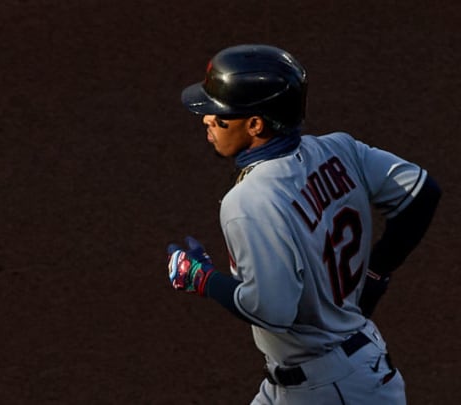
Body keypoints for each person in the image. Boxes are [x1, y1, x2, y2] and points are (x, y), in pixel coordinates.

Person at [166, 44, 441, 404]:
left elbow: (272, 311)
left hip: (330, 390)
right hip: (335, 371)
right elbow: (422, 192)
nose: (207, 119)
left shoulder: (248, 200)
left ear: (255, 124)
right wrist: (376, 273)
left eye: (221, 115)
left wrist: (201, 279)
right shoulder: (341, 150)